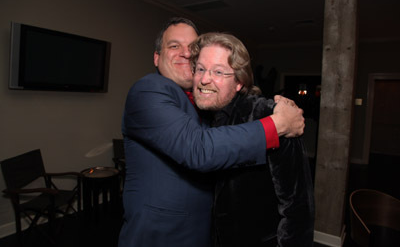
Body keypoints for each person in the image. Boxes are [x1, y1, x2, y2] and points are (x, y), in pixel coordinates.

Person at [118, 17, 305, 247]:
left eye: (191, 47)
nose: (186, 53)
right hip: (159, 236)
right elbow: (198, 149)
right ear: (157, 57)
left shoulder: (208, 105)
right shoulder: (148, 90)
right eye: (174, 46)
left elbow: (293, 205)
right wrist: (277, 125)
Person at [190, 32, 315, 247]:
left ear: (239, 82)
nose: (204, 79)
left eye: (218, 72)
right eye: (200, 69)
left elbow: (297, 209)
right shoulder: (201, 116)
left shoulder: (272, 117)